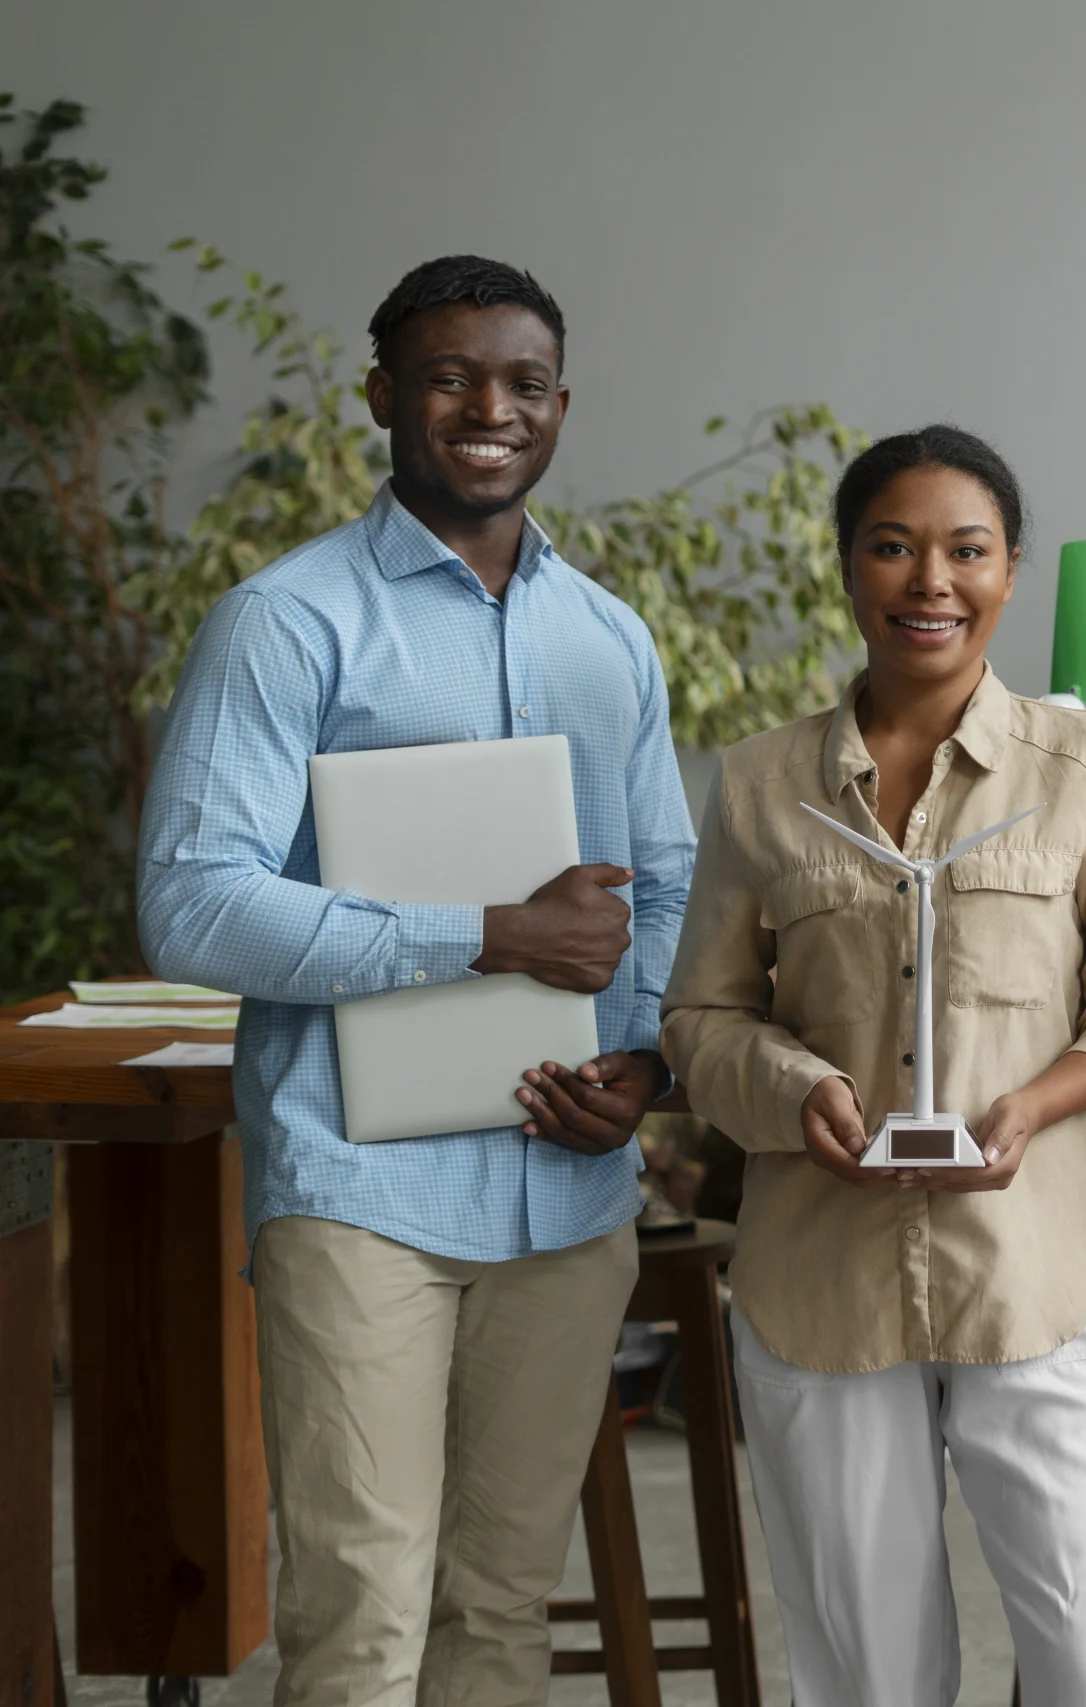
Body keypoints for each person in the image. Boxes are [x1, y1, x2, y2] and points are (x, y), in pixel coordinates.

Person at [136, 255, 694, 1705]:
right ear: (385, 395)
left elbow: (668, 879)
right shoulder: (289, 619)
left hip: (565, 1189)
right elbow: (192, 906)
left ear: (561, 406)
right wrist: (487, 932)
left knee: (502, 1607)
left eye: (519, 381)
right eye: (448, 376)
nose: (486, 408)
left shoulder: (609, 634)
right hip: (362, 1190)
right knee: (364, 1608)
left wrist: (641, 1066)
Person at [660, 425, 1086, 1707]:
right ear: (848, 569)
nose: (930, 581)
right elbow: (700, 1021)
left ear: (1010, 570)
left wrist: (1038, 1103)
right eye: (893, 548)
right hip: (818, 1283)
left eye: (967, 550)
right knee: (862, 1673)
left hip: (1036, 1271)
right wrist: (798, 1091)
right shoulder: (758, 786)